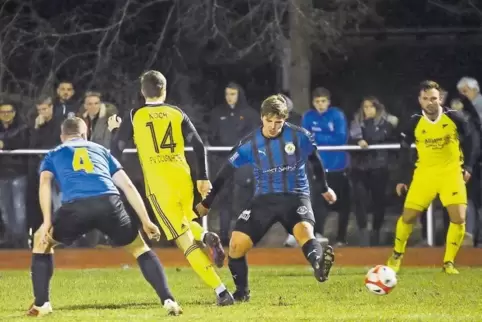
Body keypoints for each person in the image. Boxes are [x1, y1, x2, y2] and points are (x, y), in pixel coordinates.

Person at [27, 117, 182, 317]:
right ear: (85, 134)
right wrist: (146, 220)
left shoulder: (54, 153)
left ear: (62, 136)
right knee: (139, 247)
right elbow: (127, 185)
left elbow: (44, 184)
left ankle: (42, 304)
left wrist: (46, 221)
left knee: (42, 243)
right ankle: (168, 299)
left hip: (76, 207)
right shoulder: (100, 150)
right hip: (109, 203)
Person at [108, 70, 234, 306]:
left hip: (159, 184)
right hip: (182, 178)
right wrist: (203, 177)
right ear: (164, 90)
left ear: (142, 91)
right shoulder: (177, 113)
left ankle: (221, 291)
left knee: (183, 240)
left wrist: (115, 129)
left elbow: (117, 149)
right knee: (186, 220)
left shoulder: (135, 116)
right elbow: (199, 145)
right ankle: (206, 236)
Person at [196, 94, 337, 301]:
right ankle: (242, 293)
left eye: (278, 122)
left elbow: (315, 161)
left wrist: (324, 188)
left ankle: (318, 265)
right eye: (269, 121)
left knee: (305, 233)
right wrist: (207, 202)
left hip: (295, 196)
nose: (273, 126)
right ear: (262, 117)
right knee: (236, 245)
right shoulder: (249, 144)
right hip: (264, 199)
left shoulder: (300, 136)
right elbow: (224, 174)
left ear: (285, 119)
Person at [387, 80, 480, 274]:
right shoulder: (413, 121)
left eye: (434, 98)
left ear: (440, 99)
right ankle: (396, 255)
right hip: (425, 174)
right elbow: (404, 150)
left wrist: (469, 166)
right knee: (408, 216)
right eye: (426, 99)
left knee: (459, 217)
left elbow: (473, 139)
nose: (430, 102)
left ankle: (448, 262)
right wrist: (402, 178)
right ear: (420, 100)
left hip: (451, 173)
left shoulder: (455, 118)